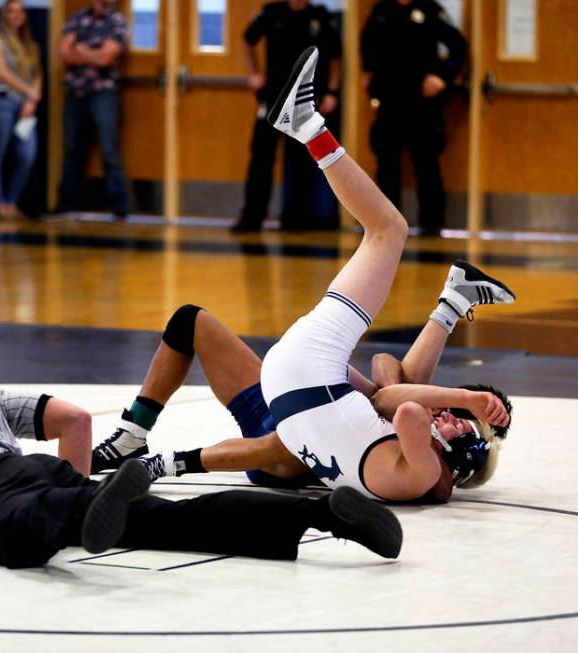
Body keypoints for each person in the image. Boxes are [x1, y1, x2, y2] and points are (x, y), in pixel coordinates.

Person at [93, 47, 513, 504]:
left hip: (299, 413)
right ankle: (131, 433)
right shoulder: (402, 435)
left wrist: (172, 464)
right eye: (452, 412)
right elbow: (386, 373)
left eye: (455, 421)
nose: (445, 414)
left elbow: (279, 445)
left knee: (388, 230)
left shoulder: (417, 457)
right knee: (189, 320)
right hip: (300, 395)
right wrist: (437, 368)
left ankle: (308, 126)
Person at [0, 330, 403, 569]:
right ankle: (323, 514)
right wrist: (72, 480)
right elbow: (74, 417)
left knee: (10, 538)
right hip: (33, 467)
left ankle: (81, 510)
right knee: (177, 521)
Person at [232, 0, 342, 233]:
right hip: (273, 99)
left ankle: (296, 218)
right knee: (261, 159)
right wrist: (253, 74)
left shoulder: (319, 17)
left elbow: (335, 56)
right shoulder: (272, 13)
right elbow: (247, 40)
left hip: (304, 102)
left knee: (302, 162)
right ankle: (252, 217)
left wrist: (332, 91)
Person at [361, 0, 467, 237]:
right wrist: (368, 73)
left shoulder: (430, 10)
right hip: (389, 102)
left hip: (422, 104)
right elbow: (367, 44)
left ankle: (432, 223)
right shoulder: (381, 11)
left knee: (427, 164)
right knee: (386, 166)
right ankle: (387, 226)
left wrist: (442, 77)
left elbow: (457, 47)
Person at [54, 0, 129, 220]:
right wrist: (91, 54)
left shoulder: (117, 22)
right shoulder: (77, 18)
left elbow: (106, 58)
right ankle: (66, 205)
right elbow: (64, 52)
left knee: (109, 149)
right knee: (72, 149)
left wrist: (80, 50)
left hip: (103, 93)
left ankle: (119, 207)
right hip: (76, 92)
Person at [0, 0, 43, 220]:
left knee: (26, 155)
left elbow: (37, 73)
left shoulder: (31, 45)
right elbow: (1, 72)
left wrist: (31, 100)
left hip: (25, 107)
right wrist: (27, 91)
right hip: (2, 102)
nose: (16, 16)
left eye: (20, 12)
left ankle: (11, 201)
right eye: (11, 11)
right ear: (3, 14)